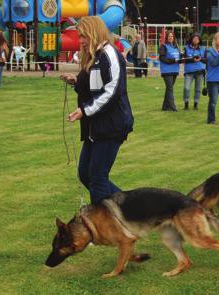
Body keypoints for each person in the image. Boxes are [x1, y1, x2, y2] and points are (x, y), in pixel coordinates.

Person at [61, 16, 134, 205]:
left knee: (98, 177)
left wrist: (84, 110)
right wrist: (76, 81)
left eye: (83, 36)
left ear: (94, 33)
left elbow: (111, 92)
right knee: (86, 174)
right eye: (79, 36)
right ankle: (130, 206)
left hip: (111, 126)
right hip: (95, 127)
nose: (81, 41)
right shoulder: (94, 55)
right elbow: (93, 85)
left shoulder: (110, 54)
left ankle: (102, 227)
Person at [182, 33, 206, 110]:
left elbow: (206, 60)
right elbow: (182, 59)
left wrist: (201, 59)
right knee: (186, 88)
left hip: (200, 71)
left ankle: (196, 104)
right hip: (189, 71)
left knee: (198, 89)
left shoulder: (204, 48)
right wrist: (192, 59)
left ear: (199, 40)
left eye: (197, 38)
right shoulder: (186, 48)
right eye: (194, 38)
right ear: (191, 39)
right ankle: (186, 104)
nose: (195, 40)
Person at [159, 30, 181, 111]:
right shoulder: (163, 46)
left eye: (172, 36)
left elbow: (179, 57)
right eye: (169, 36)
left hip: (175, 70)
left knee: (169, 88)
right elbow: (162, 58)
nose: (170, 38)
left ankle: (165, 107)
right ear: (166, 38)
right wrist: (172, 60)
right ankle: (173, 107)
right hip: (167, 71)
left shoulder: (176, 47)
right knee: (170, 88)